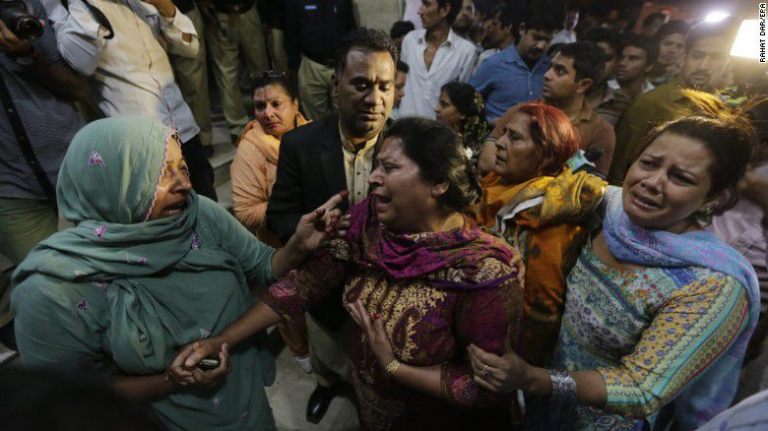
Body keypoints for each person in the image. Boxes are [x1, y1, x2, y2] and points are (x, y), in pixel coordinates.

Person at [176, 117, 525, 430]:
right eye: (376, 166)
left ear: (438, 183)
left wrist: (395, 368)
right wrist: (220, 340)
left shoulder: (484, 272)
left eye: (389, 168)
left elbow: (486, 387)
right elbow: (305, 284)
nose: (373, 178)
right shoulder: (369, 221)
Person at [11, 116, 348, 430]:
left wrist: (298, 247)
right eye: (160, 174)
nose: (184, 184)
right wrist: (172, 380)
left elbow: (262, 265)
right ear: (108, 183)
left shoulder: (198, 215)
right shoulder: (55, 290)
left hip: (242, 399)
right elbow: (73, 393)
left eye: (182, 168)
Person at [468, 91, 761, 429]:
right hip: (538, 404)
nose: (652, 182)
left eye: (681, 178)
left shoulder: (713, 286)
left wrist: (532, 378)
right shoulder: (607, 208)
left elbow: (641, 389)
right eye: (649, 163)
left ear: (714, 197)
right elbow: (549, 189)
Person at [266, 28, 397, 424]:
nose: (375, 100)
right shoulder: (300, 145)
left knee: (377, 369)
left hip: (388, 290)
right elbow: (279, 214)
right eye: (361, 85)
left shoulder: (409, 146)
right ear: (335, 84)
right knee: (327, 355)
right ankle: (325, 386)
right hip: (324, 289)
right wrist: (306, 233)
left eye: (385, 87)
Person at [469, 103, 605, 368]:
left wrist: (522, 372)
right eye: (504, 133)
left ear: (545, 156)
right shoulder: (498, 181)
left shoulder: (548, 218)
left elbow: (540, 313)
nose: (499, 143)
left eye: (515, 137)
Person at [41, 0, 218, 201]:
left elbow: (190, 47)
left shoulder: (140, 3)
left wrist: (165, 7)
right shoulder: (68, 6)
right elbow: (82, 63)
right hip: (141, 143)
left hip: (183, 127)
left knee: (209, 209)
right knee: (168, 221)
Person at [0, 0, 88, 350]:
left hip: (73, 169)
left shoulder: (28, 10)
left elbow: (77, 88)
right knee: (53, 287)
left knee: (100, 274)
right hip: (12, 189)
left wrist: (29, 54)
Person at [230, 71, 312, 373]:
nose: (268, 113)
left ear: (295, 104)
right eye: (260, 106)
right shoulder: (250, 151)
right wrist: (296, 204)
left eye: (276, 104)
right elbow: (245, 211)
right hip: (279, 247)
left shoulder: (313, 134)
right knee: (290, 310)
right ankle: (304, 356)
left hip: (318, 241)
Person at [608, 19, 739, 185]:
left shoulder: (721, 109)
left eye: (716, 58)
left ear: (729, 63)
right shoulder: (653, 102)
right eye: (697, 55)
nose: (703, 65)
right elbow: (618, 164)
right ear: (684, 57)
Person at [479, 42, 615, 176]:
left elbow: (589, 189)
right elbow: (486, 161)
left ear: (583, 85)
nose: (547, 75)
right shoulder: (520, 112)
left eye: (560, 71)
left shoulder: (601, 132)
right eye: (550, 67)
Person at [470, 2, 563, 120]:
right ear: (522, 29)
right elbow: (468, 105)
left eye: (548, 40)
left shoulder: (550, 69)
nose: (541, 46)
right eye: (537, 38)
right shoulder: (493, 64)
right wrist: (491, 124)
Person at [202, 0, 269, 141]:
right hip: (220, 15)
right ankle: (239, 127)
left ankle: (268, 115)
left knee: (260, 71)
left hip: (248, 10)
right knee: (227, 75)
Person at [398, 0, 477, 119]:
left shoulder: (466, 51)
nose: (419, 11)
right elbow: (399, 83)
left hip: (437, 133)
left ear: (445, 10)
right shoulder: (410, 40)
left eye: (427, 4)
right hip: (401, 125)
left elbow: (459, 101)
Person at [284, 0, 356, 121]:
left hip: (340, 65)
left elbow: (351, 30)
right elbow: (291, 35)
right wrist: (295, 65)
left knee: (345, 117)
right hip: (311, 66)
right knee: (315, 122)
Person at [169, 0, 213, 151]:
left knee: (194, 82)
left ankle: (201, 138)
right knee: (162, 86)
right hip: (143, 19)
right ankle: (171, 142)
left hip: (181, 13)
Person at [599, 34, 658, 126]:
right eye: (621, 57)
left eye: (633, 58)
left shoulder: (654, 96)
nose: (622, 63)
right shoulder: (603, 88)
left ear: (649, 66)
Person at [435, 82, 489, 164]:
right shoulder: (435, 135)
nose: (436, 108)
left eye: (444, 104)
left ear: (462, 113)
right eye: (439, 102)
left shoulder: (470, 152)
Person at [581, 27, 621, 117]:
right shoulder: (559, 90)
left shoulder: (620, 104)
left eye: (607, 59)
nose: (601, 64)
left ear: (617, 61)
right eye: (594, 56)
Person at [473, 4, 517, 74]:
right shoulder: (486, 57)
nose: (490, 30)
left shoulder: (521, 60)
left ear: (507, 28)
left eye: (495, 24)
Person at [648, 20, 691, 87]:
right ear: (656, 42)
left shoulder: (681, 79)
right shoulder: (637, 67)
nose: (672, 50)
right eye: (668, 44)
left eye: (679, 46)